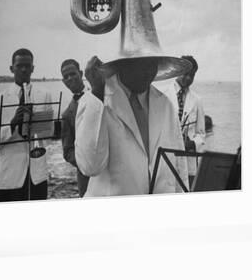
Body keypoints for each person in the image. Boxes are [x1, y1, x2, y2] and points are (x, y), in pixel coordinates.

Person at [75, 56, 190, 197]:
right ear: (122, 65)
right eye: (140, 65)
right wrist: (98, 92)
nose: (147, 73)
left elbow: (178, 165)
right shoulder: (94, 101)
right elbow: (90, 166)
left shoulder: (166, 104)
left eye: (152, 64)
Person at [0, 48, 54, 202]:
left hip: (37, 175)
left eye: (27, 66)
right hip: (8, 177)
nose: (24, 69)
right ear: (12, 68)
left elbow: (49, 135)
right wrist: (12, 125)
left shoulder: (45, 95)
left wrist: (34, 125)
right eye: (19, 66)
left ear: (33, 68)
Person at [163, 56, 205, 187]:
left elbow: (201, 134)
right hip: (167, 157)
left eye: (192, 75)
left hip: (189, 162)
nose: (188, 78)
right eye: (185, 74)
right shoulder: (163, 94)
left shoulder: (197, 100)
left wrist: (192, 144)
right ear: (177, 71)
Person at [60, 59, 89, 197]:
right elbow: (68, 151)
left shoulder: (101, 95)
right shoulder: (66, 115)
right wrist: (86, 162)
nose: (70, 78)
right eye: (66, 77)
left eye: (73, 74)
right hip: (87, 177)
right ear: (63, 82)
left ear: (81, 73)